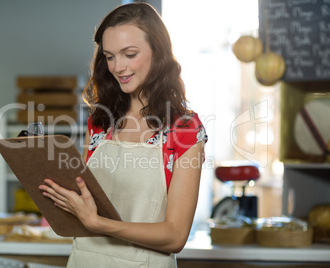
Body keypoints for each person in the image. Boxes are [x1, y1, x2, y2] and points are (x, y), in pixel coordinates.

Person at [39, 3, 207, 267]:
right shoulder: (100, 122)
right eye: (109, 56)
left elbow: (175, 236)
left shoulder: (184, 129)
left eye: (130, 54)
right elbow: (87, 201)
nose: (118, 67)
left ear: (158, 52)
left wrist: (99, 224)